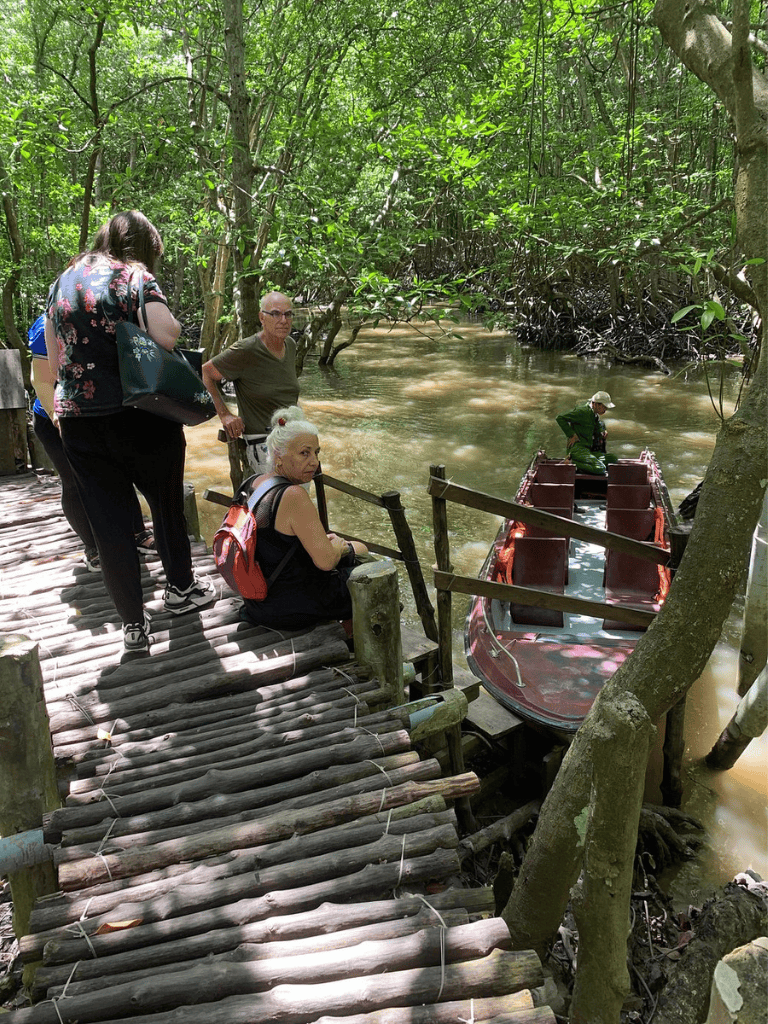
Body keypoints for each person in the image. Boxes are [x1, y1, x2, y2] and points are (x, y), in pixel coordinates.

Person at [45, 210, 215, 655]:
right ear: (142, 248)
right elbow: (166, 335)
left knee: (110, 524)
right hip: (139, 414)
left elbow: (53, 350)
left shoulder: (63, 280)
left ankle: (134, 626)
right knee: (164, 504)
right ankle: (180, 591)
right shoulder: (134, 276)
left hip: (80, 421)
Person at [28, 314, 154, 571]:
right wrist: (57, 417)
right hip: (56, 415)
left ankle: (137, 533)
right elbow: (40, 379)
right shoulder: (46, 324)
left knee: (119, 473)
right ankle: (93, 547)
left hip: (98, 411)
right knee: (74, 483)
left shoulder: (107, 313)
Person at [238, 406, 368, 630]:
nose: (314, 462)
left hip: (257, 601)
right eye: (304, 453)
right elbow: (326, 562)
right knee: (367, 567)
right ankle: (353, 643)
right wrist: (342, 547)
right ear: (278, 455)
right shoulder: (293, 495)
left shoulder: (252, 483)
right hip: (287, 608)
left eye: (316, 453)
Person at [202, 292, 300, 473]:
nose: (284, 320)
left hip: (292, 438)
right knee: (283, 499)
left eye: (288, 314)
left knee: (299, 498)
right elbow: (206, 372)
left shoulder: (290, 345)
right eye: (276, 314)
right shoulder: (246, 350)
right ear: (262, 317)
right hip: (263, 444)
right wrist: (225, 415)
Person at [555, 390, 619, 475]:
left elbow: (597, 425)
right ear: (595, 404)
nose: (605, 409)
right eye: (604, 407)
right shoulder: (582, 412)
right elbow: (560, 418)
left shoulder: (594, 414)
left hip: (588, 450)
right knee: (600, 468)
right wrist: (571, 434)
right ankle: (572, 463)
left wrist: (602, 431)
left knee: (613, 458)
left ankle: (587, 464)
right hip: (578, 450)